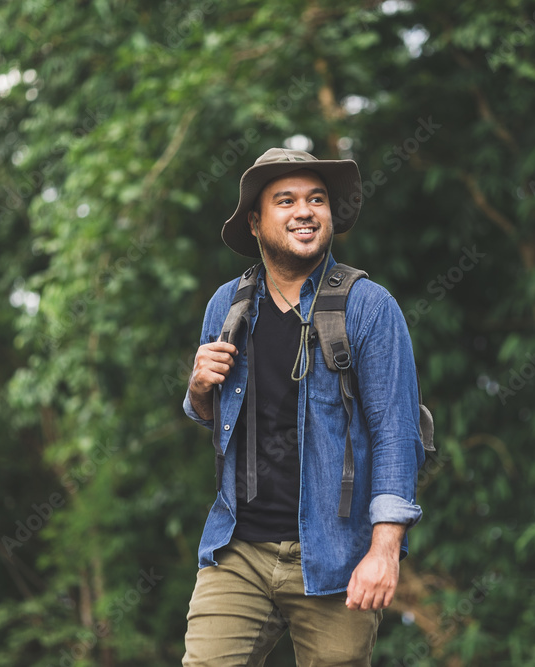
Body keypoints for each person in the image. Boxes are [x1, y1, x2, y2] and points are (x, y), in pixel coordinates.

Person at [182, 147, 426, 666]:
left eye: (317, 199)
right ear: (255, 222)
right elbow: (214, 416)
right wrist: (199, 388)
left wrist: (384, 551)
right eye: (286, 200)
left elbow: (397, 435)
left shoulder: (369, 307)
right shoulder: (227, 305)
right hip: (237, 549)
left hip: (336, 556)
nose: (305, 211)